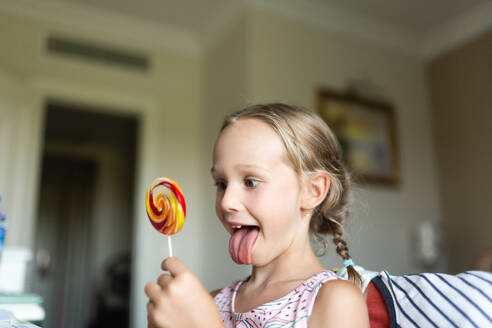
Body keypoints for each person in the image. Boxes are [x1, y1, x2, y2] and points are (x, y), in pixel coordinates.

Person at [145, 103, 369, 327]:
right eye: (221, 183)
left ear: (313, 191)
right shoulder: (211, 302)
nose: (226, 201)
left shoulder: (336, 301)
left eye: (251, 182)